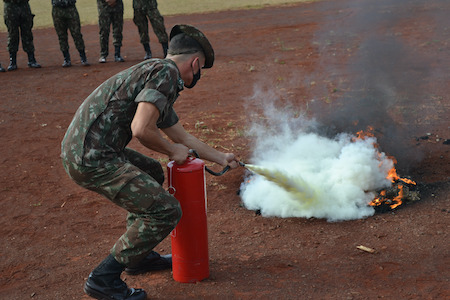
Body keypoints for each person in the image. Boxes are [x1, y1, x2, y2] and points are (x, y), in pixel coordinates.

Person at [61, 24, 239, 300]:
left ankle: (138, 258)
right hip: (91, 156)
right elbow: (142, 129)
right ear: (194, 62)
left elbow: (179, 134)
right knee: (166, 211)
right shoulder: (165, 74)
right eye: (200, 67)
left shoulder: (157, 72)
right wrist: (172, 151)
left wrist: (220, 157)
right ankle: (103, 279)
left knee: (151, 170)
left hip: (90, 149)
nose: (198, 73)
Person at [3, 0, 41, 71]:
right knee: (12, 34)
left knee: (27, 33)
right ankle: (13, 62)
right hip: (10, 6)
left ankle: (31, 59)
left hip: (24, 5)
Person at [51, 0, 89, 67]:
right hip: (57, 8)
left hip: (70, 8)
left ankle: (83, 57)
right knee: (61, 35)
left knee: (77, 34)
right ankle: (66, 59)